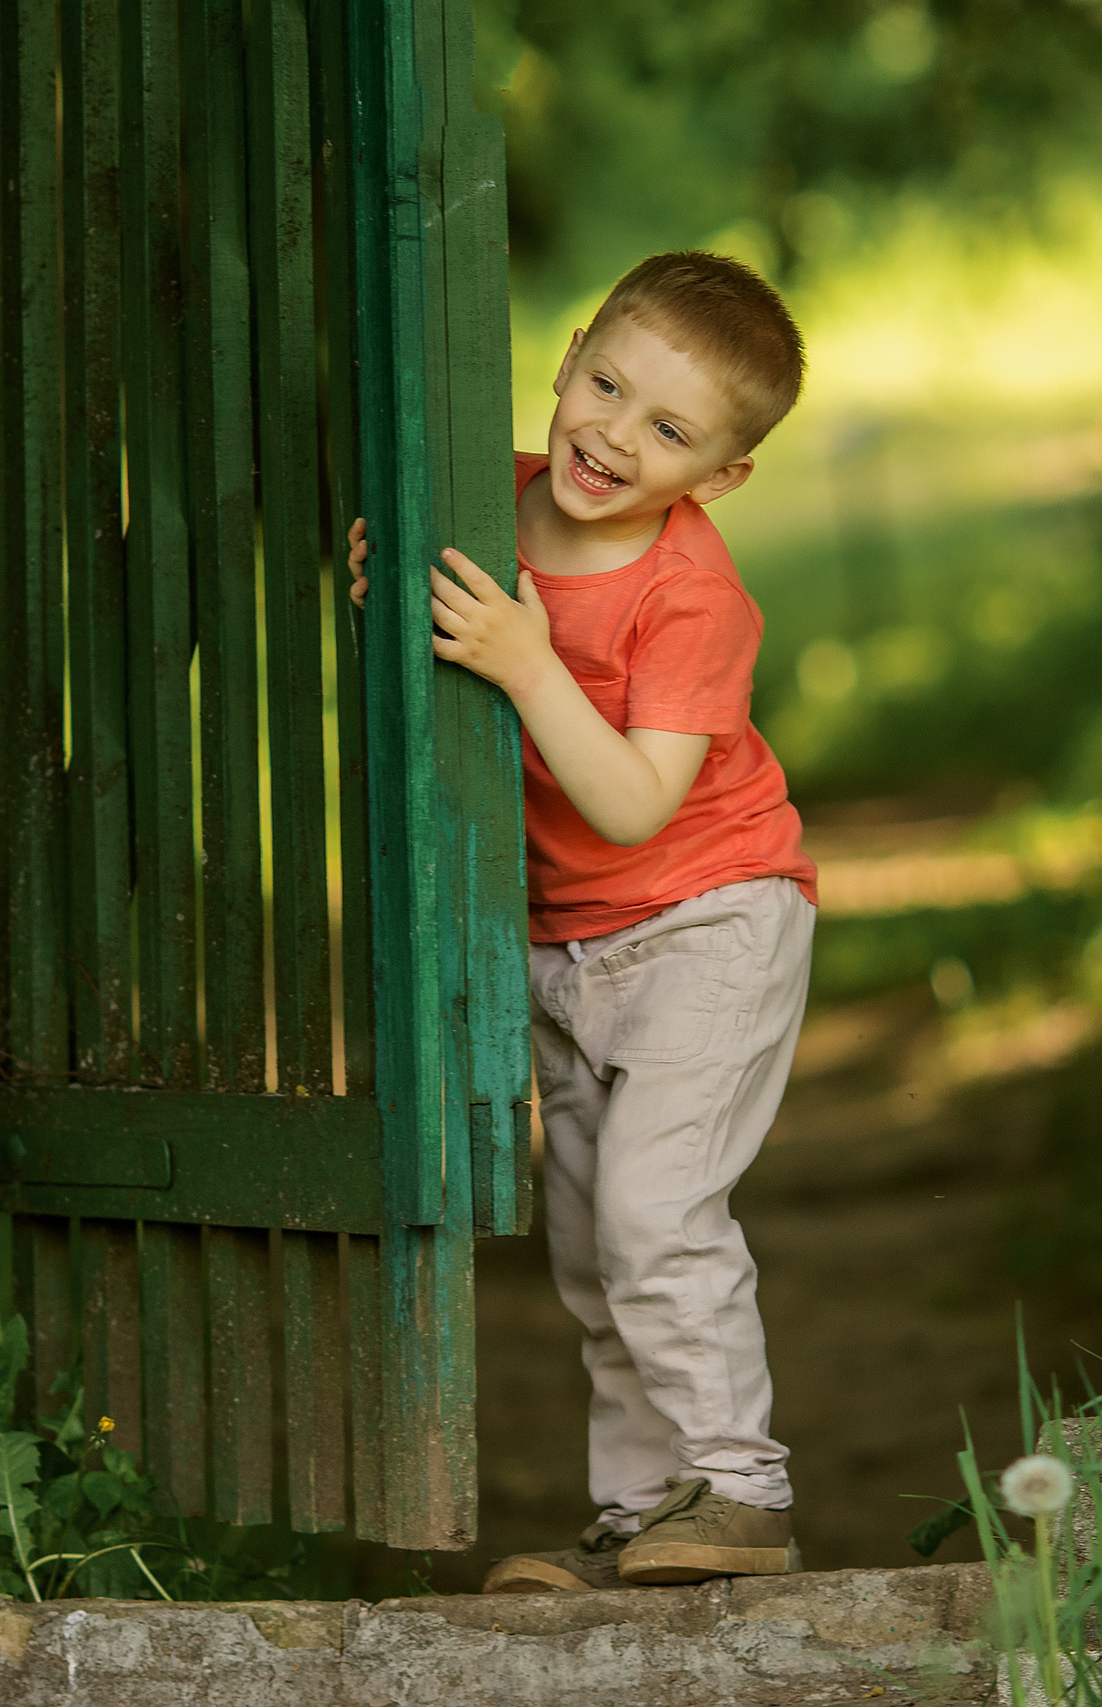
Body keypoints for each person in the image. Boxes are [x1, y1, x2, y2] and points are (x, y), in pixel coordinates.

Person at [347, 251, 817, 1592]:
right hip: (566, 944)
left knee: (656, 1212)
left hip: (710, 921)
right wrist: (387, 596)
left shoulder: (693, 598)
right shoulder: (481, 503)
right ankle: (639, 1521)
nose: (613, 436)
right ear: (566, 360)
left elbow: (629, 802)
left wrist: (527, 659)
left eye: (669, 430)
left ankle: (741, 1491)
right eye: (606, 386)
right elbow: (436, 673)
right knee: (595, 1252)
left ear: (721, 475)